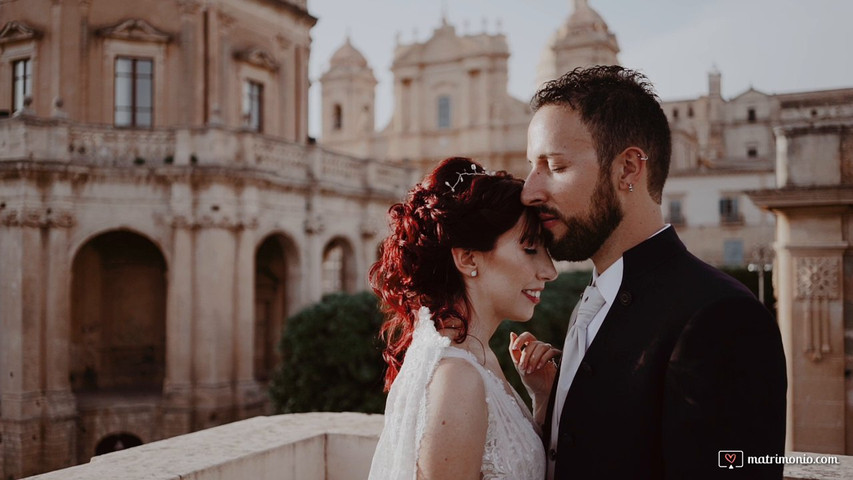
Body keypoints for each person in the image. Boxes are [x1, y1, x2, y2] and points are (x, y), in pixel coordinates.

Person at [514, 66, 787, 479]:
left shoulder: (722, 318)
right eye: (533, 167)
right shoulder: (592, 302)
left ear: (628, 170)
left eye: (554, 165)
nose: (529, 191)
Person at [367, 157, 559, 480]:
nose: (550, 271)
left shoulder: (480, 356)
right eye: (530, 248)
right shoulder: (457, 379)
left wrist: (541, 399)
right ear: (468, 258)